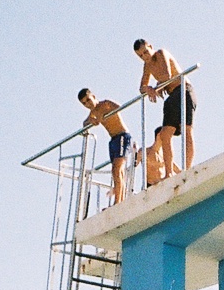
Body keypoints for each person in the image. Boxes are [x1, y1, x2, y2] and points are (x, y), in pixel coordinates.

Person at [133, 39, 195, 182]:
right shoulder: (147, 66)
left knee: (186, 129)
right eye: (141, 55)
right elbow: (142, 86)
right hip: (171, 96)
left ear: (150, 47)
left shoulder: (161, 53)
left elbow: (167, 75)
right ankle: (169, 173)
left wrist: (156, 88)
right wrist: (147, 89)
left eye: (145, 52)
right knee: (165, 134)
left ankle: (187, 168)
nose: (145, 56)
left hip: (183, 90)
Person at [78, 89, 132, 205]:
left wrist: (105, 114)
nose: (88, 104)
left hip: (122, 135)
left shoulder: (105, 103)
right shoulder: (93, 112)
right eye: (84, 103)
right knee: (116, 171)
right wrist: (89, 122)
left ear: (93, 96)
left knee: (117, 168)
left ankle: (118, 201)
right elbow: (85, 123)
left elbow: (119, 107)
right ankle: (119, 199)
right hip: (113, 140)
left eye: (88, 100)